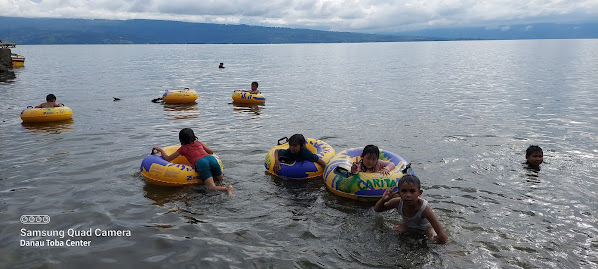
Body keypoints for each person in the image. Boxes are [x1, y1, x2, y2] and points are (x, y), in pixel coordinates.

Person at [153, 128, 233, 196]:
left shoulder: (182, 149)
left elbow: (168, 158)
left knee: (211, 187)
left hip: (201, 163)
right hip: (211, 159)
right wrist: (205, 145)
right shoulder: (199, 143)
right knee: (220, 180)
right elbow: (211, 152)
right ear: (193, 136)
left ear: (181, 139)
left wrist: (160, 150)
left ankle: (227, 189)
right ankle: (226, 187)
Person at [374, 175, 448, 244]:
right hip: (408, 226)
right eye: (404, 191)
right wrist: (383, 200)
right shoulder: (397, 202)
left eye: (412, 191)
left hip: (425, 229)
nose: (408, 195)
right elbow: (377, 209)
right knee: (391, 232)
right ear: (399, 193)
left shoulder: (424, 209)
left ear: (420, 193)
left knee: (434, 241)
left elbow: (443, 237)